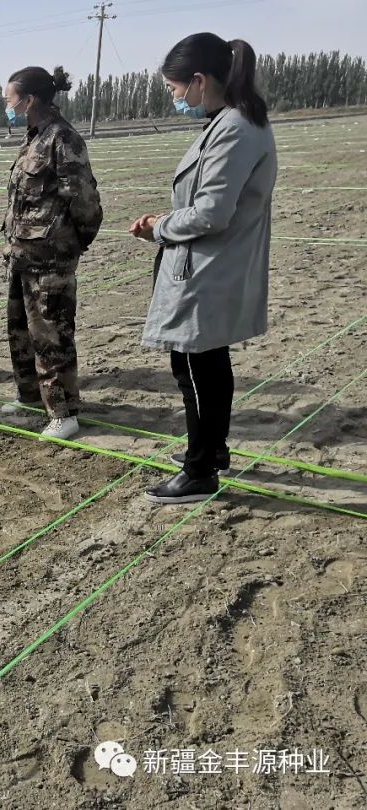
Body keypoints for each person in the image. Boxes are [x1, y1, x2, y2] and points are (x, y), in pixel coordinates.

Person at [130, 33, 276, 504]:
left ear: (198, 81)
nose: (175, 98)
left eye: (175, 89)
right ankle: (211, 450)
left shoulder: (234, 127)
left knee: (195, 367)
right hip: (210, 265)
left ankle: (199, 473)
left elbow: (212, 213)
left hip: (208, 268)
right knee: (207, 364)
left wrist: (160, 226)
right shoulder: (232, 121)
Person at [0, 66, 103, 440]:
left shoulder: (63, 139)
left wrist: (71, 243)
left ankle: (64, 413)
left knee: (52, 335)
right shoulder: (33, 138)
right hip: (23, 257)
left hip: (51, 260)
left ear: (28, 101)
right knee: (21, 333)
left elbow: (84, 201)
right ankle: (30, 396)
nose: (6, 107)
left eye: (10, 100)